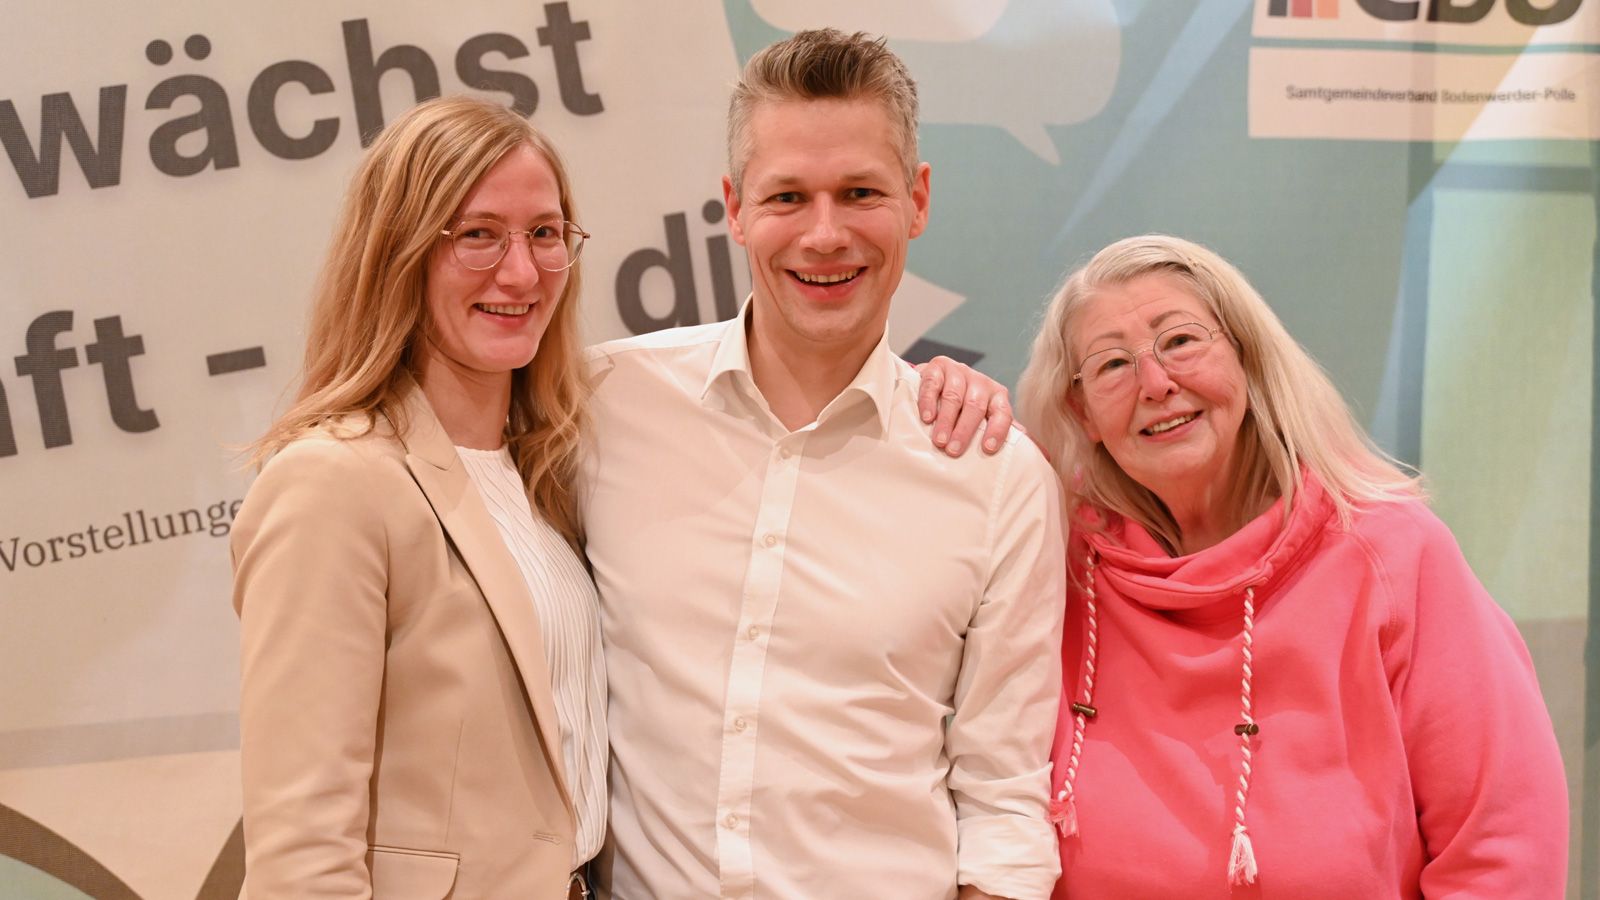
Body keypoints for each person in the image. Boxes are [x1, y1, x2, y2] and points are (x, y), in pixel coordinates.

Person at [582, 30, 1064, 900]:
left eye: (860, 193)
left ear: (917, 200)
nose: (825, 234)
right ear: (734, 207)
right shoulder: (604, 406)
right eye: (788, 197)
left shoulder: (995, 474)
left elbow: (1003, 800)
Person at [1016, 234, 1569, 898]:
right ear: (1083, 413)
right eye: (1111, 365)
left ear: (1248, 357)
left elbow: (1503, 850)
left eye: (1182, 342)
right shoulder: (1054, 569)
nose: (1156, 384)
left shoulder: (1393, 555)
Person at [230, 96, 605, 900]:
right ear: (397, 254)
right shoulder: (333, 482)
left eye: (544, 233)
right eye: (476, 235)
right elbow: (302, 850)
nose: (520, 270)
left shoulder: (548, 471)